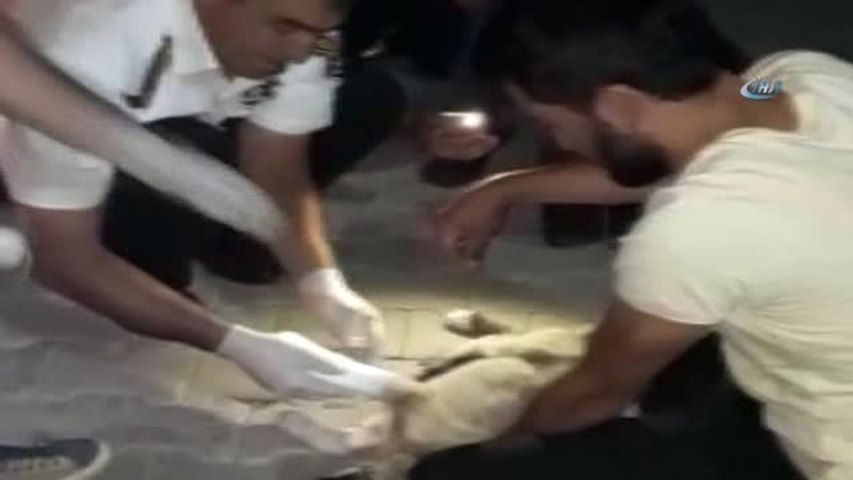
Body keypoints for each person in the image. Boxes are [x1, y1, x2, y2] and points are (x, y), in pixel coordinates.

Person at [412, 0, 853, 479]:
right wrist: (504, 189)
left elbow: (594, 394)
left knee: (452, 473)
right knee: (690, 340)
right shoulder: (802, 77)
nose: (561, 142)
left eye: (551, 124)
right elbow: (727, 112)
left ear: (618, 106)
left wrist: (501, 446)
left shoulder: (697, 227)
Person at [1, 0, 417, 412]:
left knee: (371, 94)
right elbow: (62, 256)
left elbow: (277, 161)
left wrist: (320, 279)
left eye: (317, 33)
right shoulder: (86, 52)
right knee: (180, 154)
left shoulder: (308, 33)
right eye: (285, 27)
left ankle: (232, 251)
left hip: (181, 137)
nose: (299, 50)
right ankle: (150, 276)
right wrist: (235, 343)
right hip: (56, 152)